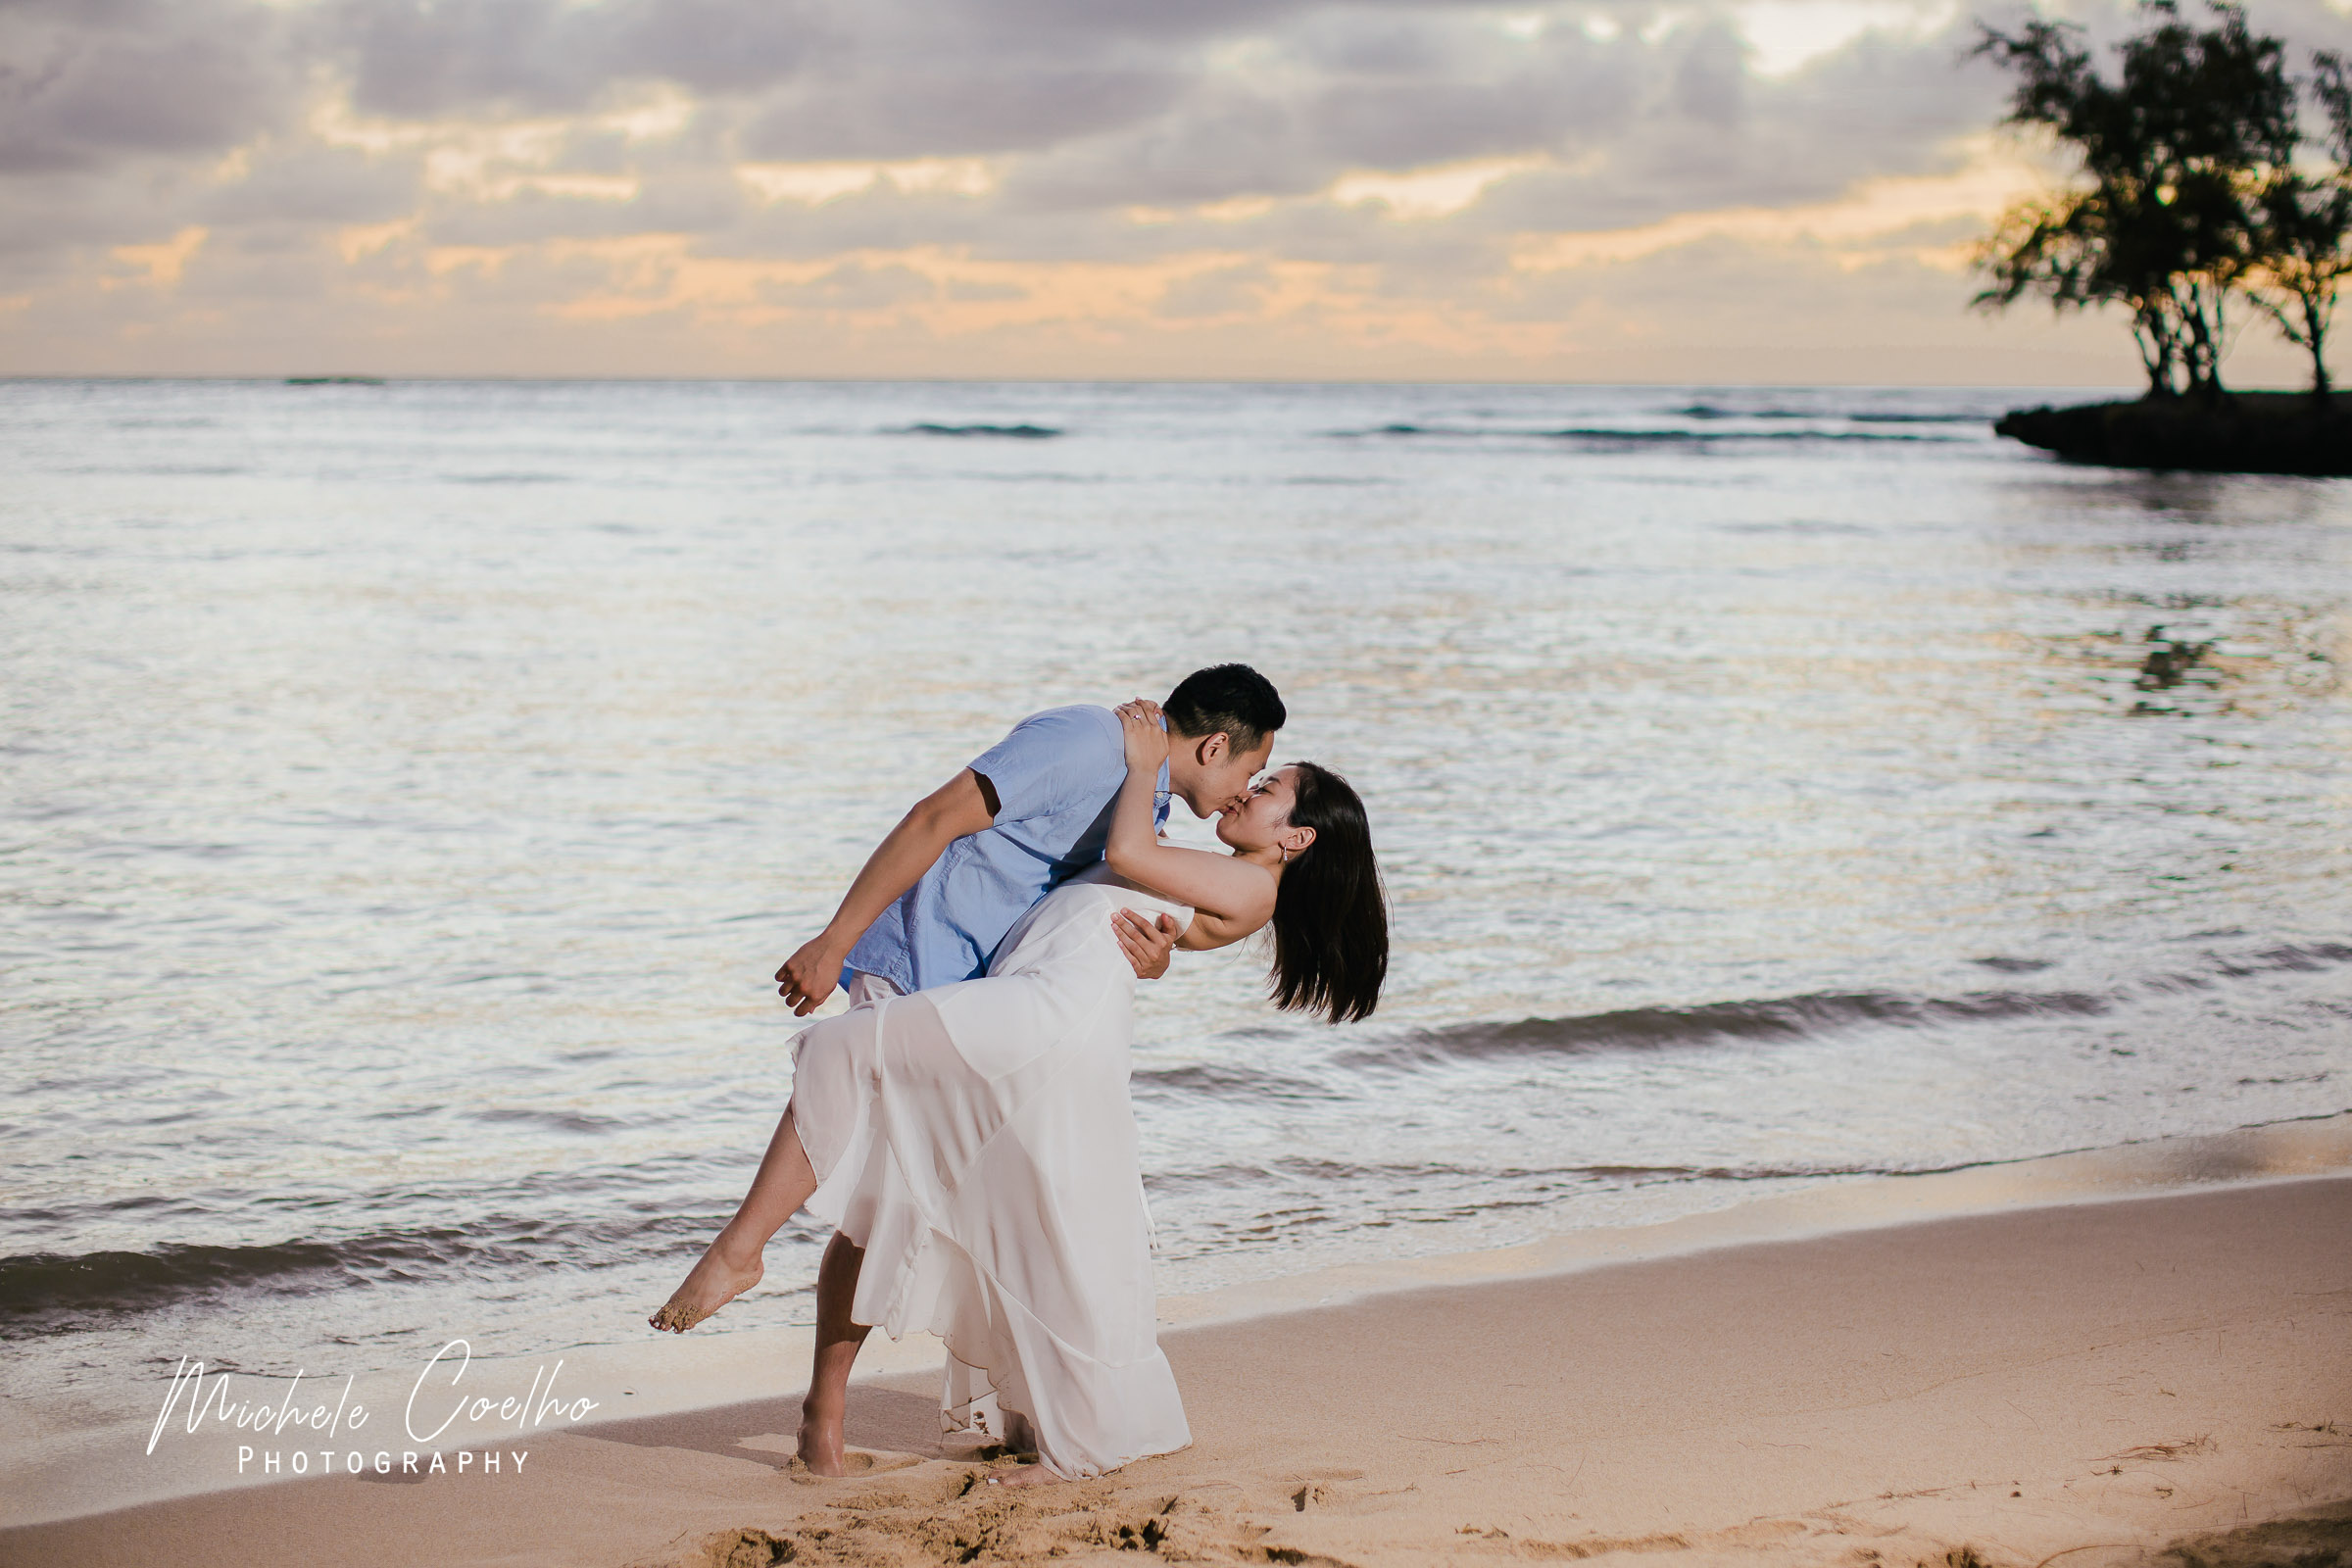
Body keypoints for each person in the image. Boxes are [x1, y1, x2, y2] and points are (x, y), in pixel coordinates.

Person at [648, 695, 1389, 1486]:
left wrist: (1142, 770)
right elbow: (1142, 906)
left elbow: (1130, 859)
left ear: (1296, 836)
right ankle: (1033, 1422)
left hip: (1046, 1017)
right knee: (1023, 1228)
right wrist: (1159, 943)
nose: (1248, 790)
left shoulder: (1239, 879)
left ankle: (741, 1252)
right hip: (1026, 1003)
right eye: (1256, 773)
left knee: (843, 1052)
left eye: (1267, 787)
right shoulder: (1178, 839)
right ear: (1214, 746)